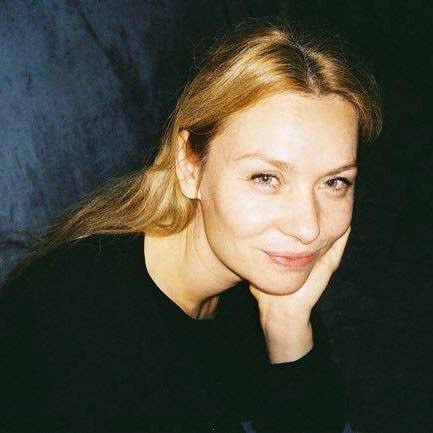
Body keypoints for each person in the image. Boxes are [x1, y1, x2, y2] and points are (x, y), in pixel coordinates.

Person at [0, 18, 381, 433]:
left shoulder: (251, 278)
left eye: (335, 182)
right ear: (190, 166)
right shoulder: (81, 340)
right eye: (266, 178)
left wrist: (287, 324)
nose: (308, 228)